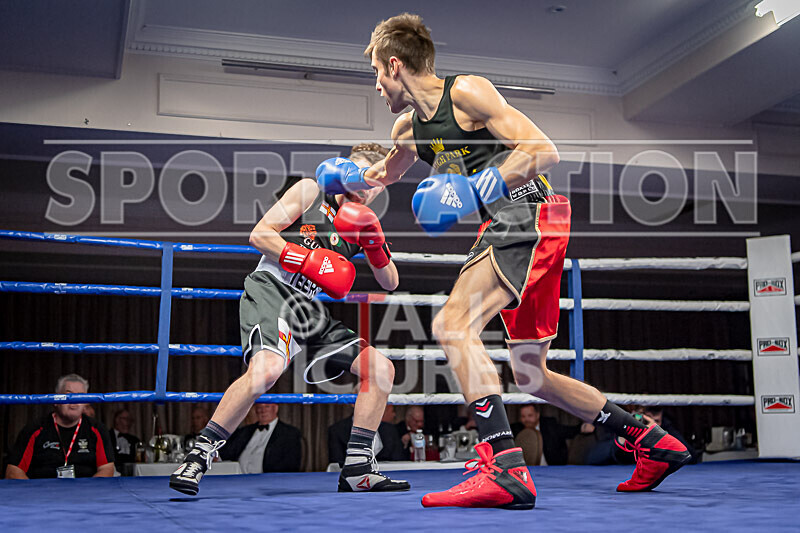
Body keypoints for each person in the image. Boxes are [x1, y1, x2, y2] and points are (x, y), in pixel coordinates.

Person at [316, 13, 691, 509]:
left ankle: (504, 466)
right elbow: (385, 173)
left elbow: (543, 149)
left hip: (530, 210)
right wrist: (345, 178)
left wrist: (475, 187)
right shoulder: (408, 127)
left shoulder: (467, 92)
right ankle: (651, 441)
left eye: (376, 75)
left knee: (453, 323)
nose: (378, 87)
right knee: (531, 372)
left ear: (394, 65)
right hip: (517, 223)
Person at [170, 144, 409, 495]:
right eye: (360, 175)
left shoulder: (362, 226)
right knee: (266, 371)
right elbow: (260, 234)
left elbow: (391, 281)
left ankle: (358, 466)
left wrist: (376, 245)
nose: (365, 186)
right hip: (272, 288)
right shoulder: (311, 190)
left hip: (307, 307)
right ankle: (199, 455)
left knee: (381, 369)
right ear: (343, 171)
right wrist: (306, 260)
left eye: (375, 183)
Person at [5, 374, 114, 479]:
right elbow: (13, 472)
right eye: (68, 394)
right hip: (42, 493)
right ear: (56, 400)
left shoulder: (97, 429)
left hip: (85, 493)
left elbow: (107, 469)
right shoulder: (34, 429)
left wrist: (86, 494)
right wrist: (36, 496)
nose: (74, 401)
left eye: (80, 395)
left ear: (86, 403)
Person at [219, 403, 302, 473]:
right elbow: (228, 453)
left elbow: (291, 465)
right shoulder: (245, 431)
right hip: (239, 480)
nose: (262, 410)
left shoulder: (290, 433)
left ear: (275, 408)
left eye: (267, 406)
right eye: (259, 407)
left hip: (268, 483)